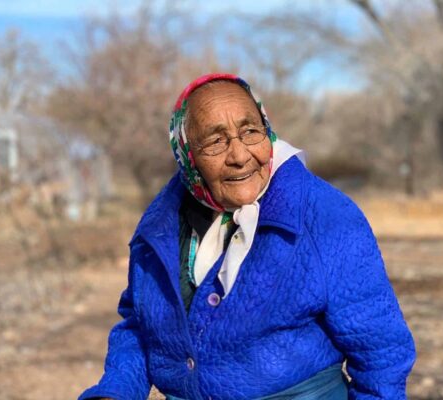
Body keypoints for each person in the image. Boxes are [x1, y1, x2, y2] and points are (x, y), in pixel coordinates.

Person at [79, 73, 416, 400]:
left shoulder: (325, 217)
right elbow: (141, 325)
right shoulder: (161, 226)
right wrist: (116, 390)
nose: (240, 156)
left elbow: (381, 353)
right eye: (215, 141)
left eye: (250, 132)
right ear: (187, 156)